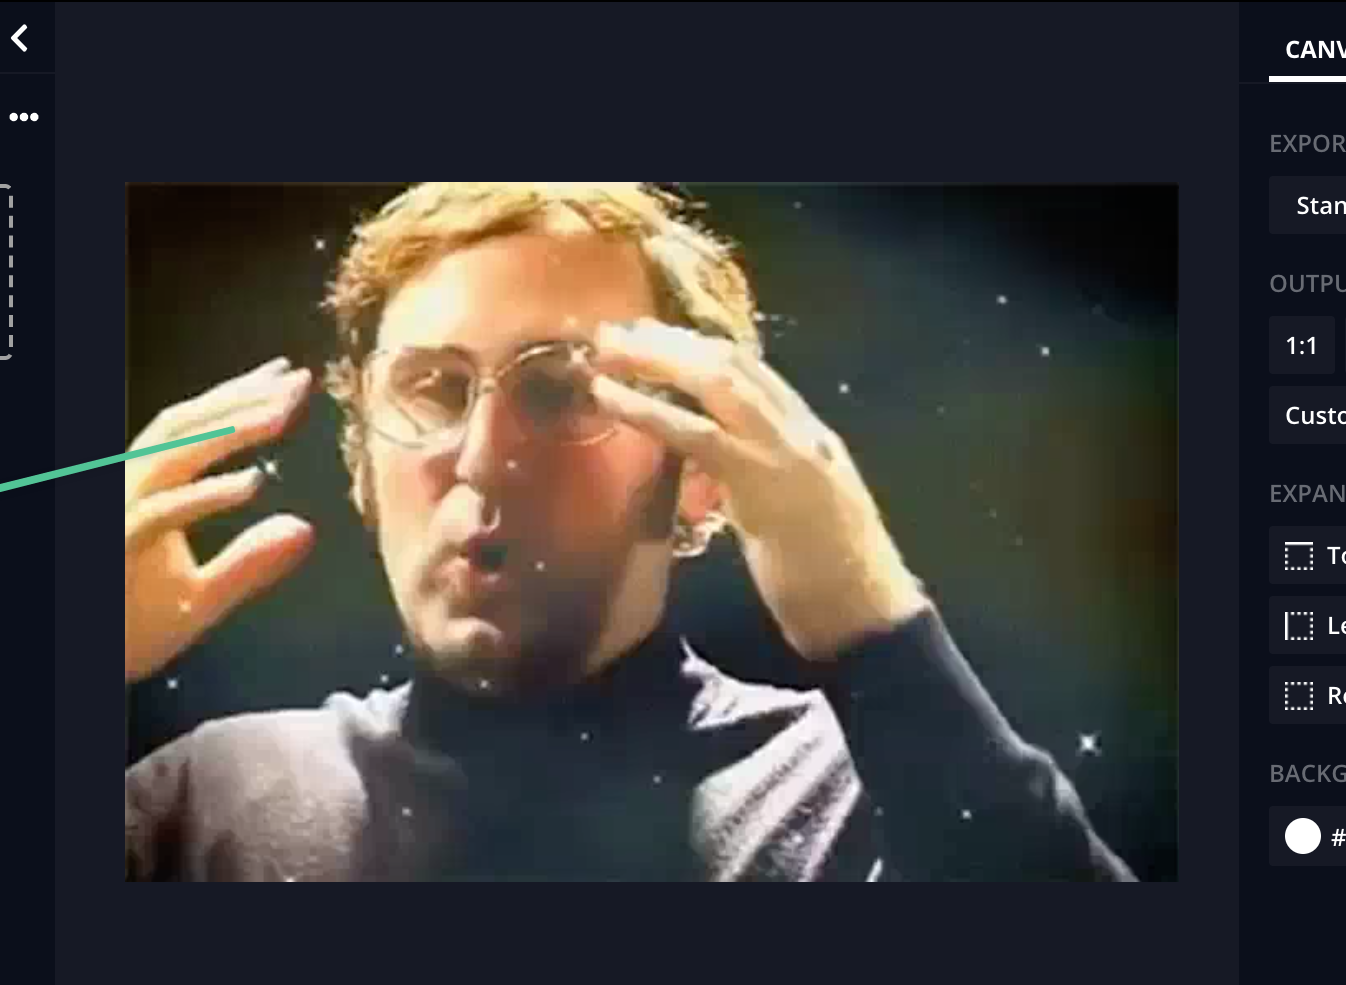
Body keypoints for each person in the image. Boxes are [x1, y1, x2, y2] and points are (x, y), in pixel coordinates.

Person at [123, 182, 1133, 881]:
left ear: (701, 474)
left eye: (561, 391)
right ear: (360, 467)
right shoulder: (203, 806)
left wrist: (872, 622)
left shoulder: (866, 795)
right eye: (433, 388)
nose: (481, 458)